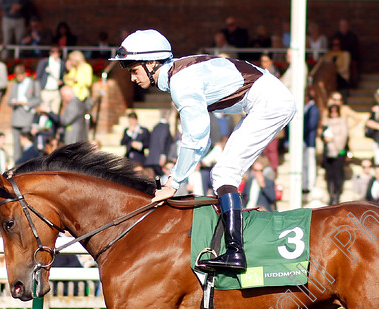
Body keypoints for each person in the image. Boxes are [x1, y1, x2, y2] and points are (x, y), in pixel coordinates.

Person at [111, 29, 295, 272]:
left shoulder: (181, 83)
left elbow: (197, 139)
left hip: (269, 102)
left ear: (152, 62)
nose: (132, 78)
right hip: (266, 98)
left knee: (223, 174)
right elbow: (202, 141)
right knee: (222, 173)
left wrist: (172, 184)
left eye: (134, 70)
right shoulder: (179, 72)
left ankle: (235, 253)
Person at [8, 64, 41, 161]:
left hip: (27, 118)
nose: (18, 78)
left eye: (20, 75)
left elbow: (38, 100)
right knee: (16, 147)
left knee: (27, 145)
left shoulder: (33, 84)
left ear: (24, 74)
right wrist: (13, 102)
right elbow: (9, 100)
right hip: (16, 118)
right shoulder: (15, 84)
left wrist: (27, 103)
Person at [321, 104, 348, 205]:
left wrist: (337, 144)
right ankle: (331, 194)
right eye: (331, 112)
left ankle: (337, 194)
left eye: (335, 112)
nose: (333, 114)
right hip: (328, 152)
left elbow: (344, 135)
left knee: (338, 174)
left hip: (338, 151)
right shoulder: (326, 122)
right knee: (329, 175)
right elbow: (322, 134)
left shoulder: (342, 122)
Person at [36, 46, 65, 114]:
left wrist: (61, 82)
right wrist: (39, 90)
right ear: (50, 53)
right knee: (44, 112)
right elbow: (38, 77)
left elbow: (63, 76)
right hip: (45, 91)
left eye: (57, 52)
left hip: (56, 91)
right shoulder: (44, 62)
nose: (55, 54)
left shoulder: (62, 63)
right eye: (53, 52)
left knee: (54, 113)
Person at [144, 110, 172, 178]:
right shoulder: (165, 127)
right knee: (159, 179)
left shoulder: (156, 126)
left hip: (152, 158)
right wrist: (163, 155)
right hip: (158, 159)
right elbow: (162, 140)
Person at [302, 90, 320, 194]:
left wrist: (301, 133)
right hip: (304, 141)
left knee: (310, 163)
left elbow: (311, 124)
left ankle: (310, 184)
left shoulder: (313, 109)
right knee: (304, 163)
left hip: (309, 140)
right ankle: (304, 184)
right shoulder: (306, 108)